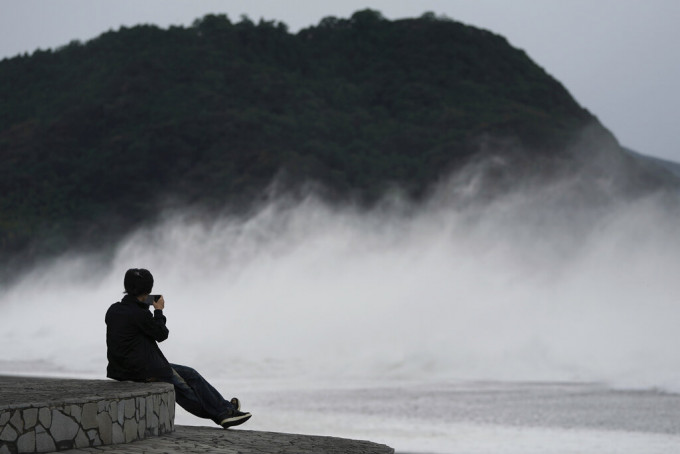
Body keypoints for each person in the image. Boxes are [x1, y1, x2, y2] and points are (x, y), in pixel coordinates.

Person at [105, 268, 251, 428]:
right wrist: (158, 311)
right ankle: (223, 414)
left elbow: (136, 328)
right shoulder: (139, 314)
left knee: (191, 374)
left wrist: (144, 304)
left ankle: (225, 408)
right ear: (148, 290)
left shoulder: (114, 309)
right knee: (185, 391)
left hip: (122, 369)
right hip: (144, 370)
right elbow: (161, 334)